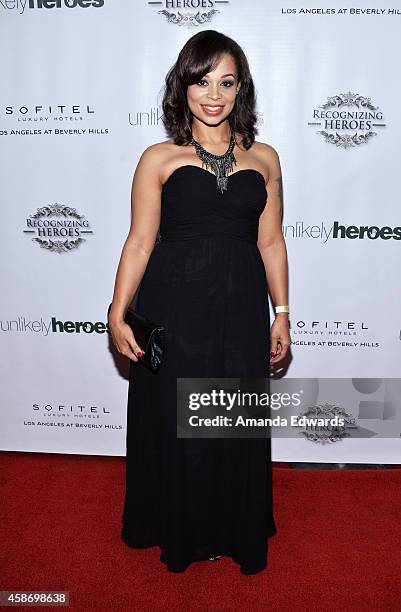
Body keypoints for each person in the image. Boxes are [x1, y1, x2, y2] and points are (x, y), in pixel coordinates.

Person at [108, 29, 291, 575]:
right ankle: (181, 528)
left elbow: (271, 241)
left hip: (239, 311)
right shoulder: (158, 157)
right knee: (177, 417)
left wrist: (281, 312)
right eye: (202, 80)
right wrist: (118, 312)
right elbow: (140, 240)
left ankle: (229, 525)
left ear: (242, 89)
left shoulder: (265, 158)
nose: (214, 94)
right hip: (174, 308)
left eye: (226, 81)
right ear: (182, 87)